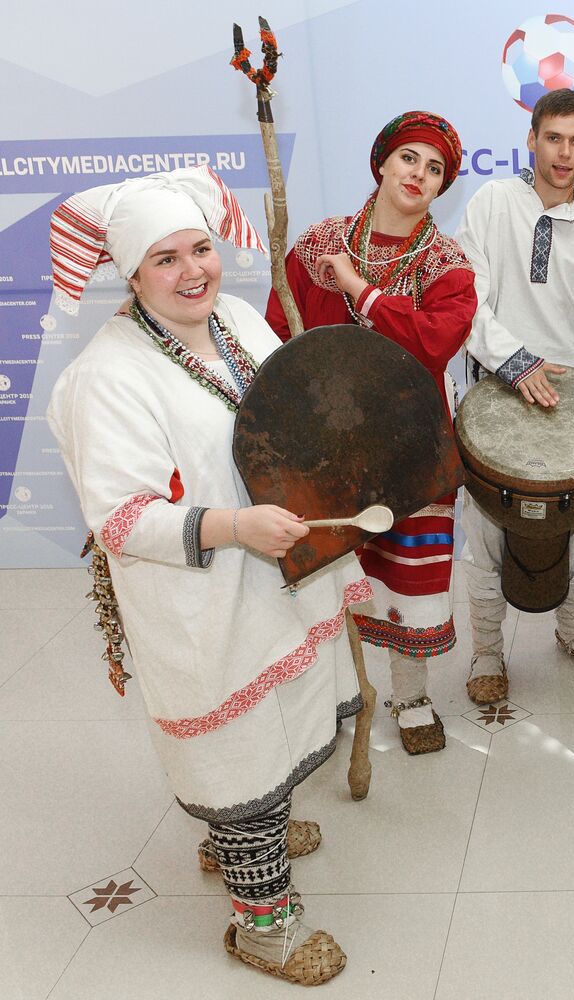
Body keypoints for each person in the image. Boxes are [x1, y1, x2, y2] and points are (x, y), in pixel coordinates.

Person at [47, 167, 369, 985]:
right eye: (165, 259)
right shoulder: (106, 378)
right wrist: (234, 526)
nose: (194, 271)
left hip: (282, 572)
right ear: (131, 272)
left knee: (284, 721)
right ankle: (263, 929)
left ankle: (245, 832)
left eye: (201, 248)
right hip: (203, 597)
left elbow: (289, 413)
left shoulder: (234, 319)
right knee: (236, 745)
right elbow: (120, 519)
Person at [266, 111, 476, 755]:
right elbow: (279, 327)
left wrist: (359, 288)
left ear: (443, 188)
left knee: (408, 577)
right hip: (323, 449)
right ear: (381, 162)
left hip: (408, 448)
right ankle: (335, 694)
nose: (419, 174)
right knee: (327, 575)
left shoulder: (447, 263)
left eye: (435, 168)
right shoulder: (320, 242)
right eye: (410, 158)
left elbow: (433, 340)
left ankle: (410, 697)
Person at [455, 88, 574, 706]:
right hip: (495, 394)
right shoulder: (492, 202)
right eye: (553, 138)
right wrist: (515, 361)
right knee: (483, 538)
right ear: (531, 139)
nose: (564, 153)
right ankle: (484, 652)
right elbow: (465, 301)